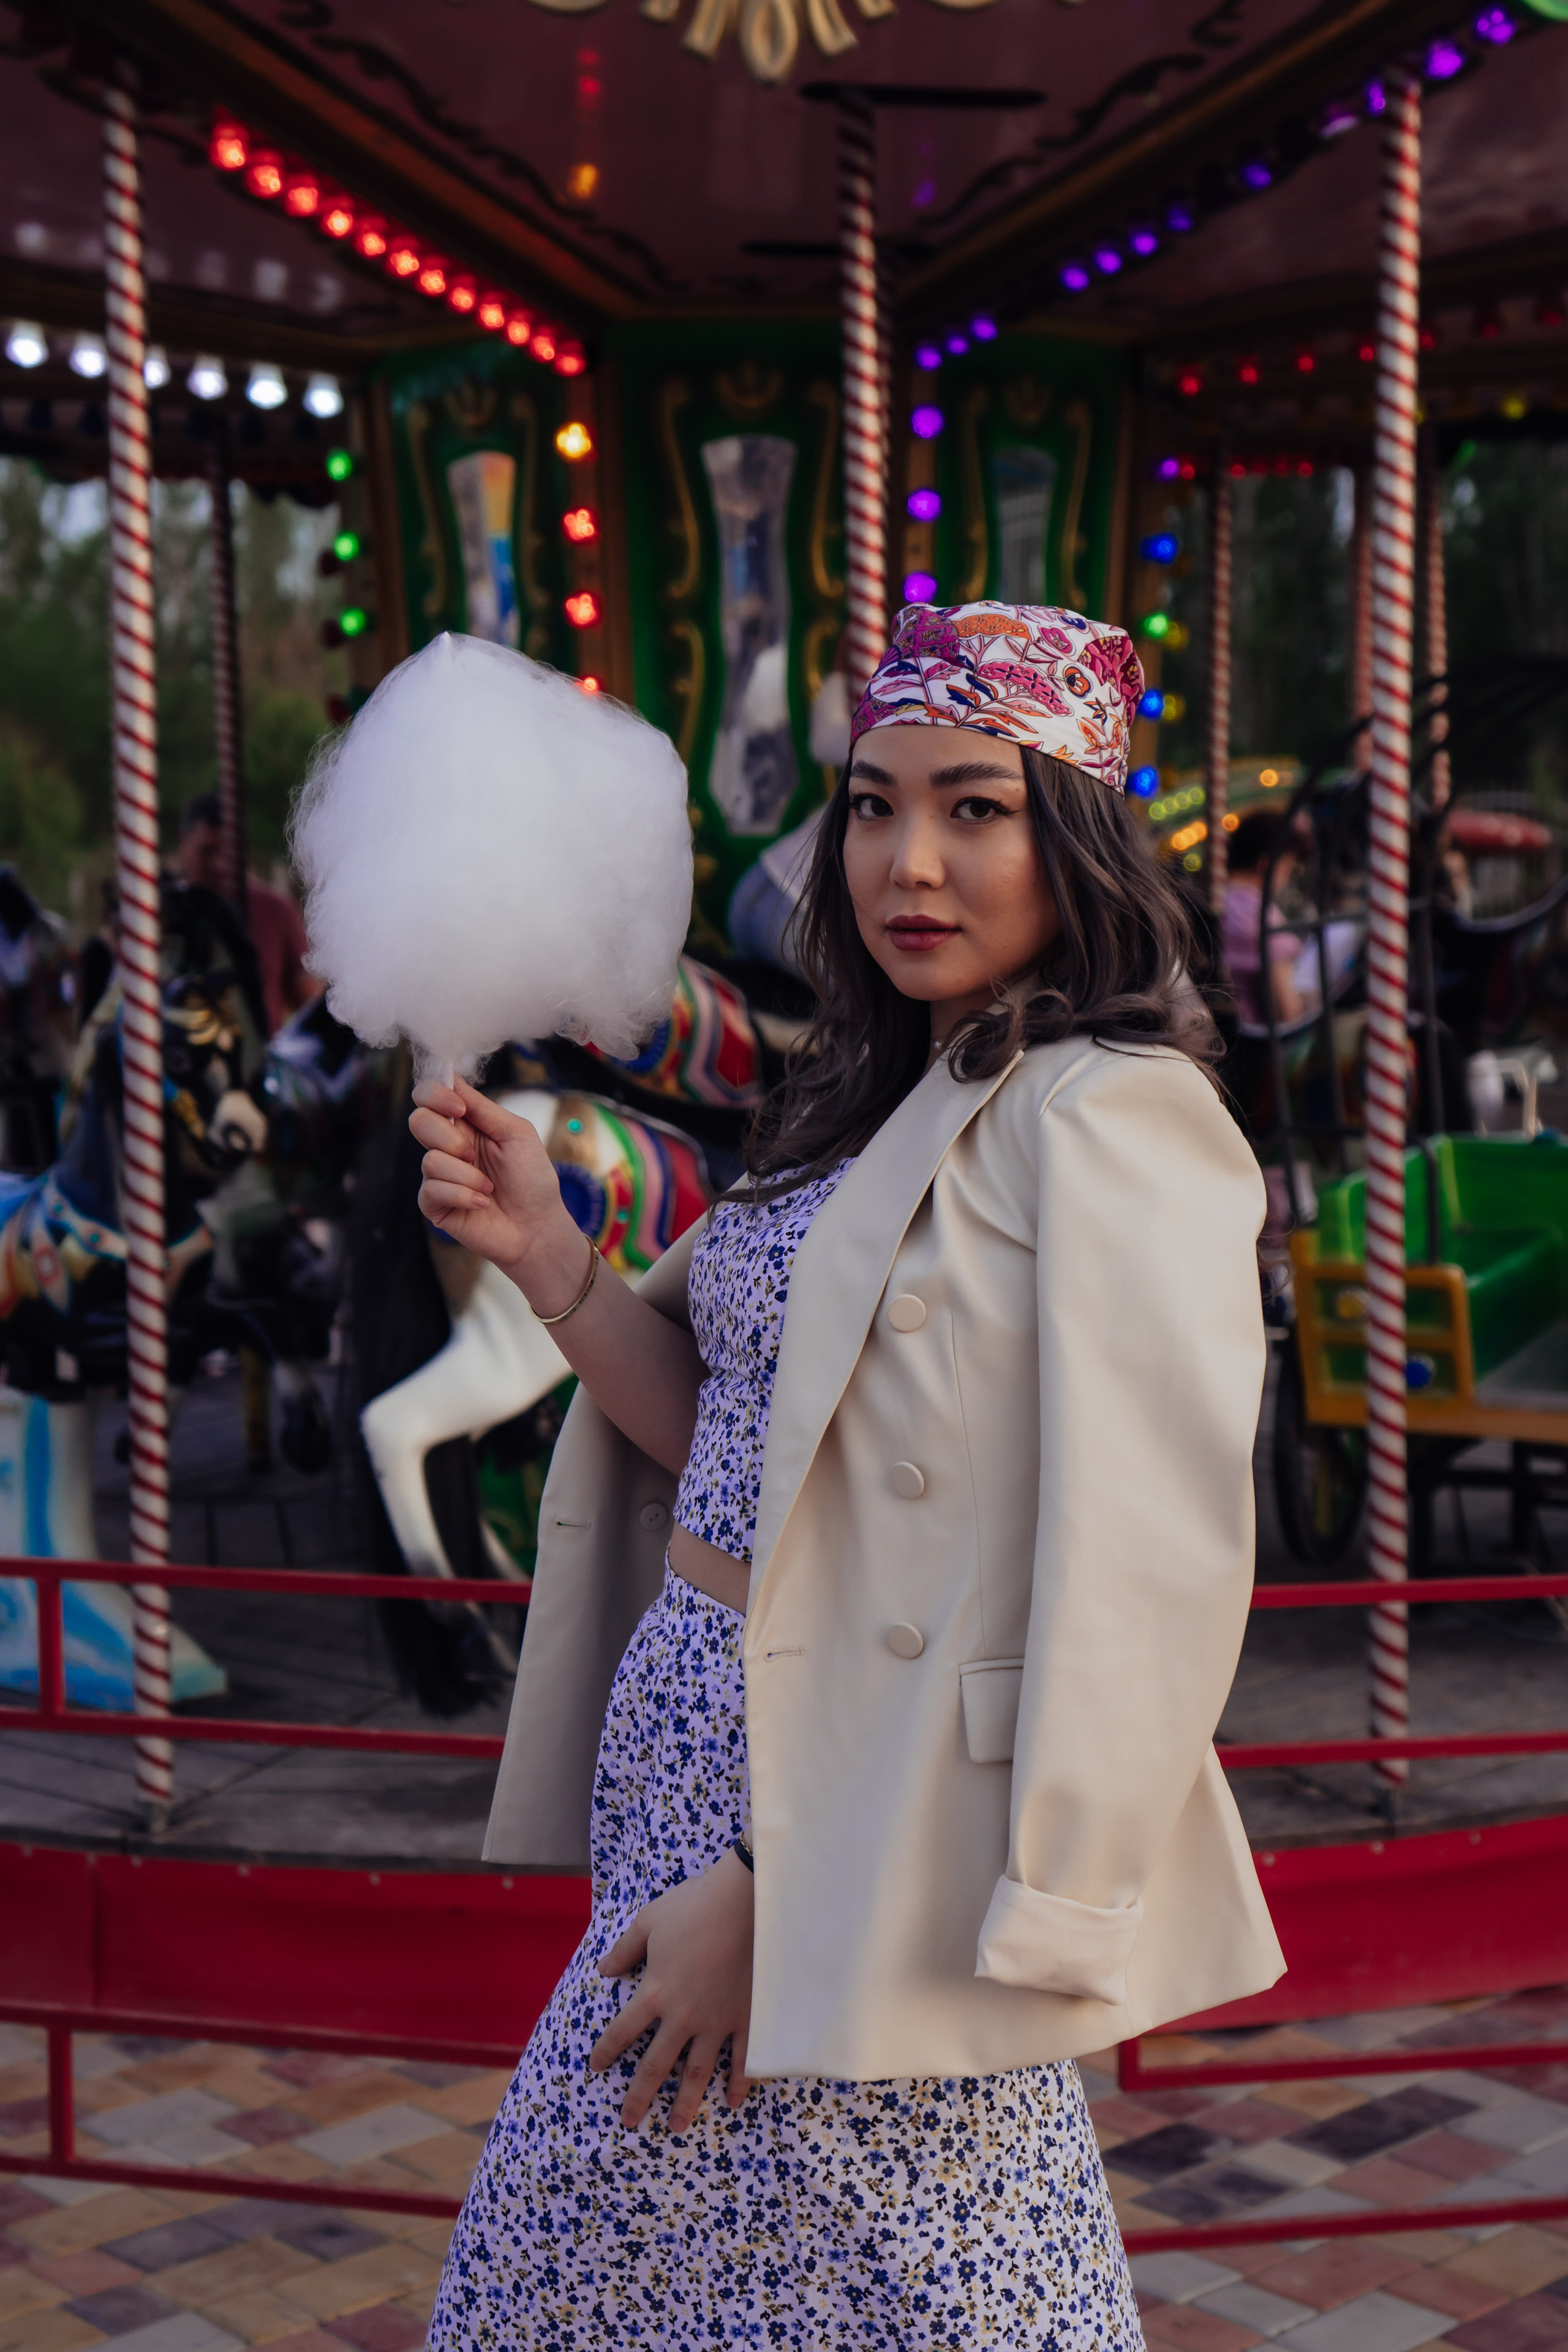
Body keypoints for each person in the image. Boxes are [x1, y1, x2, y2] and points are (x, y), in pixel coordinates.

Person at [414, 601, 1284, 2348]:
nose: (912, 859)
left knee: (906, 2278)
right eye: (876, 805)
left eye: (976, 806)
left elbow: (1143, 1586)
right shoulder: (879, 1094)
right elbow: (745, 1452)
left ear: (1080, 828)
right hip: (689, 1788)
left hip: (859, 1839)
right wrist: (555, 1262)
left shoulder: (1109, 1115)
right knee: (637, 2275)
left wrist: (788, 1884)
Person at [176, 793, 315, 1037]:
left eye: (227, 853)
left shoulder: (276, 911)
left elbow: (310, 1008)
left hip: (257, 1064)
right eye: (207, 851)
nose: (218, 865)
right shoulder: (161, 914)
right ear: (184, 842)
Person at [1221, 807, 1314, 1029]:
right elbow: (1288, 1012)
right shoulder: (1256, 914)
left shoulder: (1216, 902)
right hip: (1255, 1044)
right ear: (1268, 864)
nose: (1288, 877)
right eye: (1289, 867)